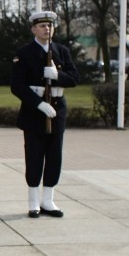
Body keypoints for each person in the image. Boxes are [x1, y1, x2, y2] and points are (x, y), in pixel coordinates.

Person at [11, 11, 80, 218]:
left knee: (54, 157)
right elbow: (17, 85)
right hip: (34, 112)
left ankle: (48, 200)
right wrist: (38, 104)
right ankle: (33, 202)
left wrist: (58, 76)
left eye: (50, 26)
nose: (46, 29)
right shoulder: (23, 53)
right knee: (34, 157)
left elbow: (75, 78)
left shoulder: (62, 51)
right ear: (33, 29)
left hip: (57, 110)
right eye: (42, 26)